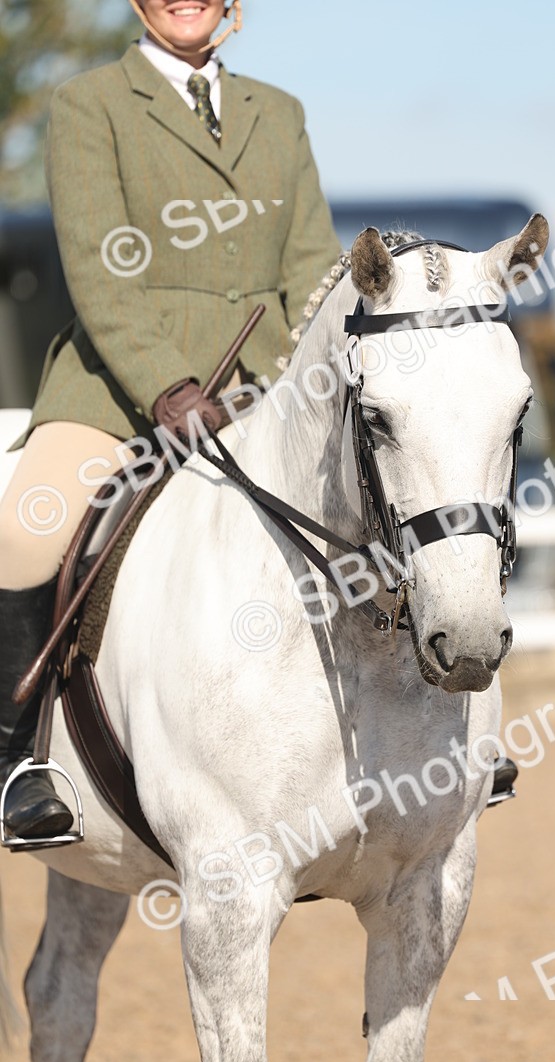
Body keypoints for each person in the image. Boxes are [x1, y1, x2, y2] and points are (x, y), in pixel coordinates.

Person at [0, 0, 342, 843]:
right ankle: (16, 765)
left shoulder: (280, 112)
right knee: (26, 531)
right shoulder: (91, 104)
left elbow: (311, 267)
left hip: (267, 384)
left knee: (378, 492)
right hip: (120, 385)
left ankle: (430, 737)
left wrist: (319, 387)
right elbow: (98, 267)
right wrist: (167, 388)